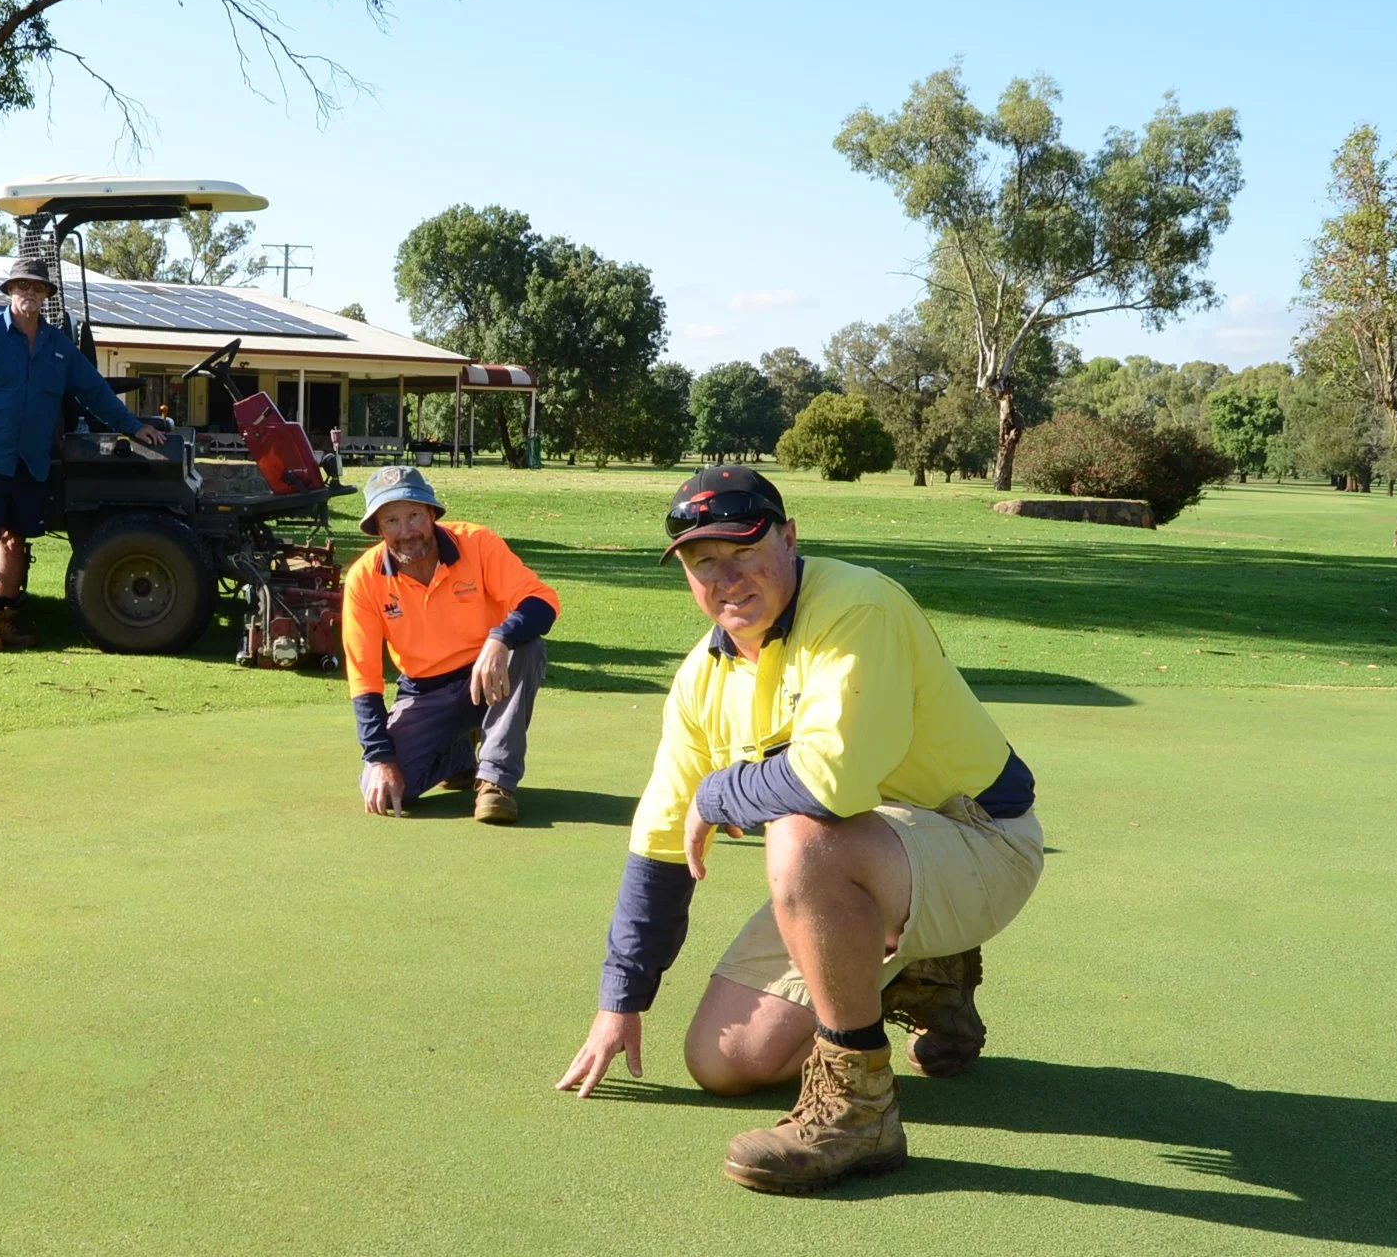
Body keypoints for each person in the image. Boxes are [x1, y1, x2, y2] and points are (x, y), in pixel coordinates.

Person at [554, 466, 1042, 1194]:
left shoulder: (857, 605)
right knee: (727, 1062)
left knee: (802, 834)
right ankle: (919, 970)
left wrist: (720, 792)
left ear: (789, 537)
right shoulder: (702, 676)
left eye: (744, 550)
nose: (727, 578)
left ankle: (859, 1108)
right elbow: (659, 841)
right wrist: (620, 1002)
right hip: (879, 861)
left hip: (981, 840)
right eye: (702, 562)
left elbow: (831, 783)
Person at [0, 256, 167, 651]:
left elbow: (94, 391)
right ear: (10, 291)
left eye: (37, 287)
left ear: (46, 295)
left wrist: (133, 426)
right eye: (22, 286)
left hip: (31, 460)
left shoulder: (58, 347)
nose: (30, 292)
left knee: (15, 541)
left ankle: (6, 620)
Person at [341, 465, 559, 824]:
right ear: (378, 529)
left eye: (413, 515)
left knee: (528, 646)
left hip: (489, 677)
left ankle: (495, 780)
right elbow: (363, 677)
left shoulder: (476, 542)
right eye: (392, 521)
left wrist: (500, 637)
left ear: (432, 514)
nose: (406, 532)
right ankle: (459, 757)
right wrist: (379, 758)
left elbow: (543, 601)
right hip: (424, 691)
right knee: (388, 789)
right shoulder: (363, 579)